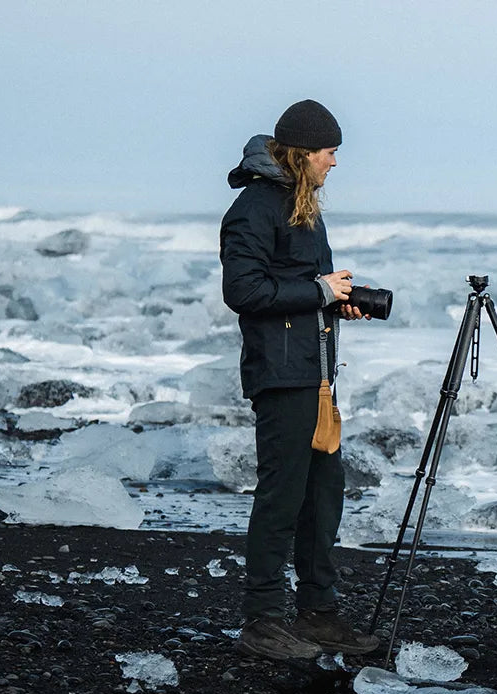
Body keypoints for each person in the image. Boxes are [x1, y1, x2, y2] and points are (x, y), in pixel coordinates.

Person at [220, 99, 379, 660]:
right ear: (305, 153)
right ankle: (263, 621)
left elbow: (305, 285)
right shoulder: (254, 209)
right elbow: (243, 292)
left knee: (322, 497)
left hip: (316, 374)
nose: (335, 162)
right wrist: (319, 291)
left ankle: (318, 613)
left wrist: (340, 302)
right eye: (330, 152)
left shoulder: (304, 208)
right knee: (281, 498)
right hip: (281, 376)